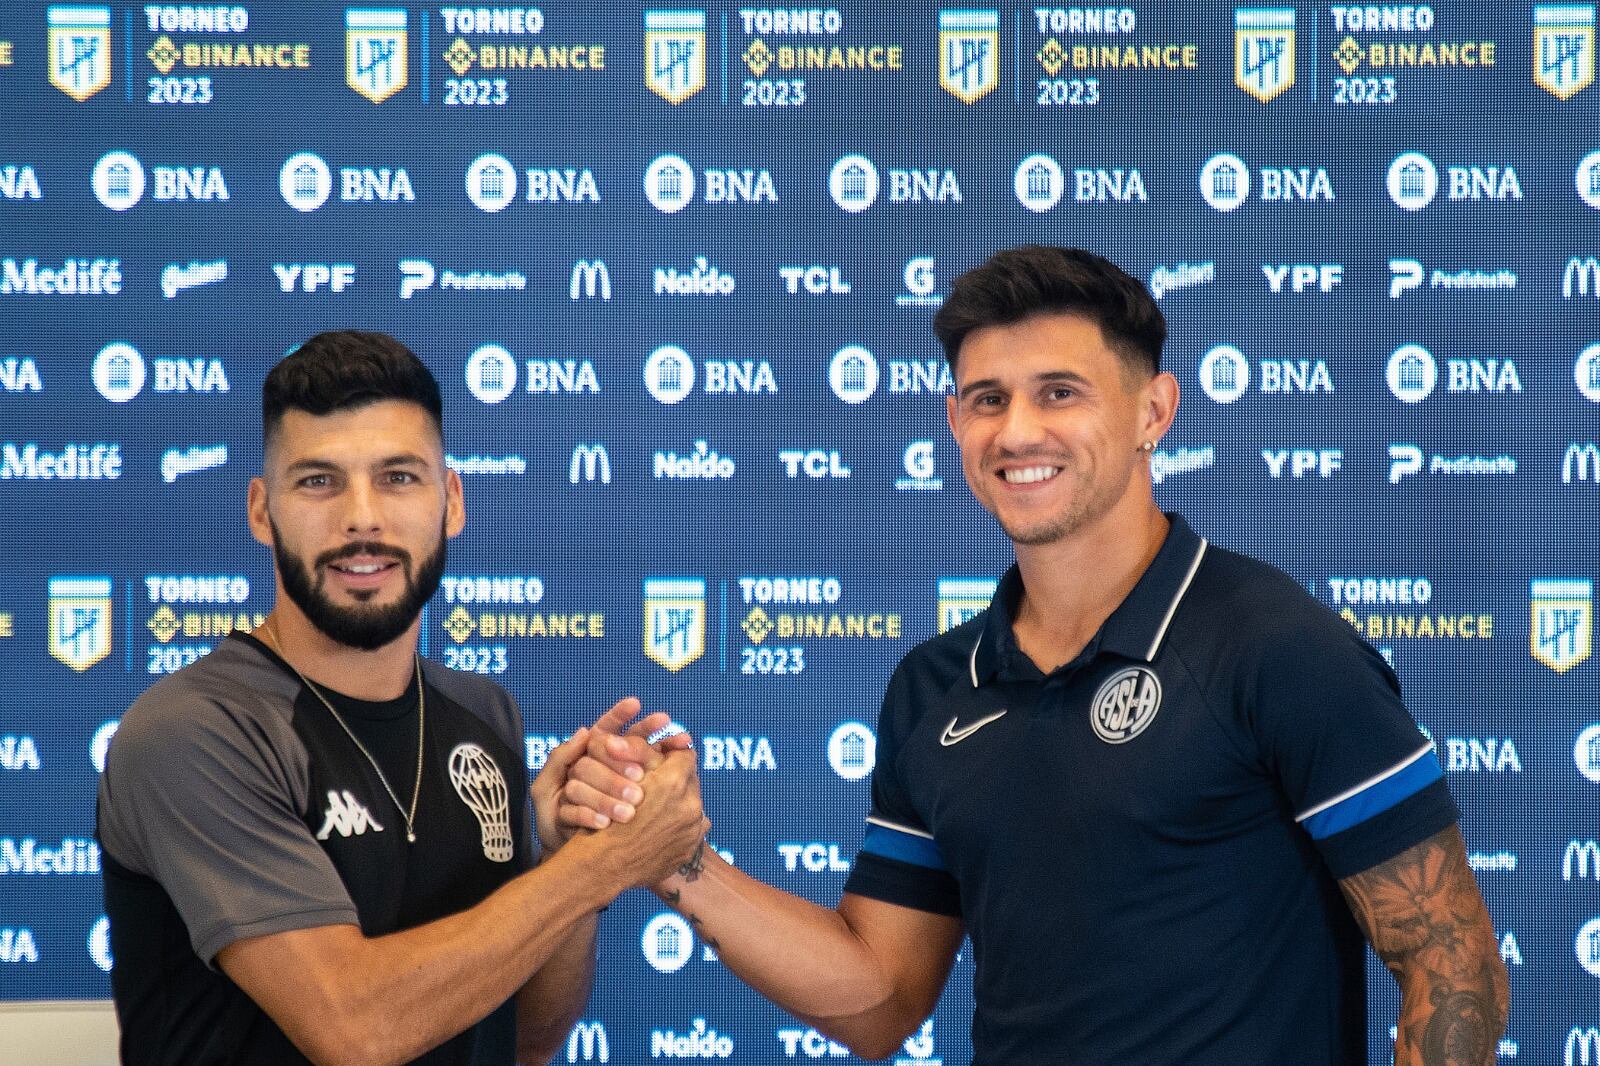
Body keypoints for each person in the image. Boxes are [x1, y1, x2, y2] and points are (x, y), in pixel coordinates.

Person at [562, 247, 1509, 1064]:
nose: (1018, 431)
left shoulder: (1271, 641)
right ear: (953, 424)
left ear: (1154, 411)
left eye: (1060, 392)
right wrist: (678, 863)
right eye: (987, 400)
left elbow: (1450, 959)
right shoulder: (936, 685)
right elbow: (881, 997)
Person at [97, 331, 706, 1066]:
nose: (362, 518)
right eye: (318, 481)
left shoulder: (485, 716)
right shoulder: (195, 730)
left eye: (398, 478)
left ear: (451, 501)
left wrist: (567, 857)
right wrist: (598, 870)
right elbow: (355, 1031)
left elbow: (527, 1038)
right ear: (262, 512)